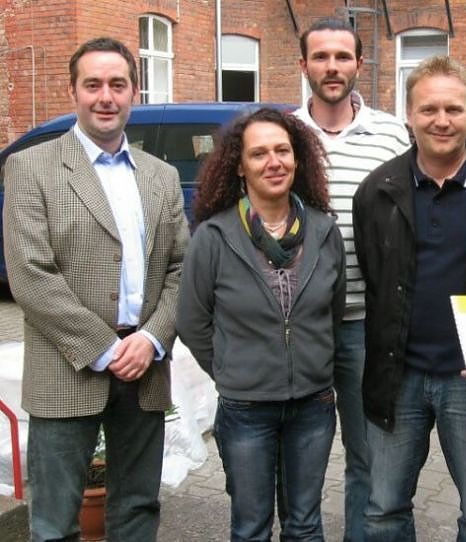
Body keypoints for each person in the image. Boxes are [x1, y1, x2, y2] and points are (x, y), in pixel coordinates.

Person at [2, 37, 190, 541]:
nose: (106, 97)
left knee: (137, 511)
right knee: (53, 522)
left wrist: (151, 339)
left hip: (144, 368)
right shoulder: (31, 167)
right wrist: (105, 348)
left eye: (118, 85)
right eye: (93, 85)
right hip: (67, 367)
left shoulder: (161, 177)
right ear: (73, 91)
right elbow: (30, 274)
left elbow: (181, 269)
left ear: (134, 93)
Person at [353, 55, 466, 541]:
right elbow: (373, 275)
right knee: (383, 511)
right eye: (429, 109)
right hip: (398, 375)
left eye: (453, 108)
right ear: (409, 115)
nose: (442, 120)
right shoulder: (377, 191)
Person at [176, 108, 346, 541]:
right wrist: (232, 368)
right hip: (246, 408)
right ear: (239, 165)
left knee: (305, 525)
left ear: (297, 159)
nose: (273, 162)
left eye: (282, 151)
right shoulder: (214, 237)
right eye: (259, 153)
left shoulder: (324, 231)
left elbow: (333, 311)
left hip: (312, 404)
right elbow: (193, 321)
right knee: (251, 528)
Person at [294, 16, 410, 541]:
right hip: (302, 326)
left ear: (359, 64)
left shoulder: (391, 134)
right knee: (301, 456)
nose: (332, 66)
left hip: (368, 325)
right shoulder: (285, 135)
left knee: (369, 454)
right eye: (321, 56)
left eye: (342, 56)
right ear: (304, 64)